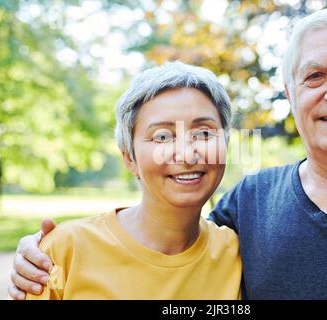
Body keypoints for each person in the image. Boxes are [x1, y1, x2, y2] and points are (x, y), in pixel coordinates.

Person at [10, 8, 327, 300]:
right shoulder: (248, 205)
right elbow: (164, 242)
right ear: (292, 94)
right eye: (315, 76)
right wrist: (38, 254)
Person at [17, 61, 242, 299]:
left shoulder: (237, 253)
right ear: (129, 158)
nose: (186, 153)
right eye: (163, 136)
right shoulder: (65, 250)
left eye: (204, 133)